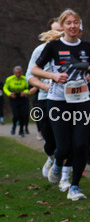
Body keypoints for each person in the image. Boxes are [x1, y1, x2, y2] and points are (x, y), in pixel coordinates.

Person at [31, 9, 90, 200]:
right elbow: (35, 69)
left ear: (80, 25)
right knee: (63, 147)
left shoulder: (88, 47)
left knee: (81, 145)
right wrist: (53, 75)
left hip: (82, 101)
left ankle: (74, 187)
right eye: (68, 23)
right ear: (63, 26)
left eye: (76, 22)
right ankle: (58, 163)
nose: (73, 26)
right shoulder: (53, 47)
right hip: (58, 101)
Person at [28, 19, 62, 175]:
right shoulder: (39, 50)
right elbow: (30, 75)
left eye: (60, 31)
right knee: (48, 136)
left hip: (65, 99)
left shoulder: (71, 50)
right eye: (54, 31)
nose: (57, 35)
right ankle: (51, 156)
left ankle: (65, 169)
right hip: (45, 97)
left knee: (66, 134)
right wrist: (45, 86)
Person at [4, 66, 31, 136]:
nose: (18, 74)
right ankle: (14, 126)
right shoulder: (9, 79)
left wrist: (25, 92)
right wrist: (9, 94)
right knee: (16, 115)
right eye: (16, 73)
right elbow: (5, 88)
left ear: (21, 72)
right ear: (14, 73)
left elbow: (30, 88)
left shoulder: (25, 79)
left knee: (23, 115)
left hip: (22, 98)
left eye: (19, 73)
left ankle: (21, 131)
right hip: (14, 98)